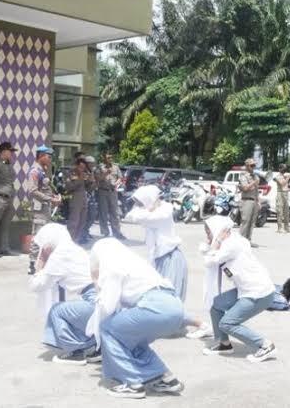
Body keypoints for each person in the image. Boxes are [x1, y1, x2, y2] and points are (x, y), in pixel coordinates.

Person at [85, 238, 185, 399]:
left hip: (155, 306)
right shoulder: (133, 261)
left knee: (108, 329)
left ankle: (133, 384)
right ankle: (165, 377)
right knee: (130, 336)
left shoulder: (112, 266)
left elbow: (107, 306)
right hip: (174, 307)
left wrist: (96, 285)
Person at [125, 185, 211, 338]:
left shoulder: (165, 210)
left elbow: (140, 216)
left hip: (171, 258)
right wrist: (147, 207)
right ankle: (170, 325)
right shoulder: (153, 210)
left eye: (142, 202)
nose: (139, 206)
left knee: (169, 299)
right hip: (160, 259)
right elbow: (130, 216)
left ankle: (202, 325)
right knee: (157, 297)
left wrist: (147, 209)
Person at [199, 216, 277, 362]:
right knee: (216, 305)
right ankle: (224, 343)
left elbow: (209, 260)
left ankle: (265, 345)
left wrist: (215, 243)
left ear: (217, 231)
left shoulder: (231, 245)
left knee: (227, 323)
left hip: (258, 293)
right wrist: (213, 243)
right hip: (246, 289)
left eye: (208, 232)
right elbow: (206, 251)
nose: (207, 236)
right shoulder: (231, 241)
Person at [29, 224, 100, 365]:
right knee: (68, 308)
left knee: (56, 310)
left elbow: (37, 285)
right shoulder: (73, 249)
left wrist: (41, 263)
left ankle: (76, 351)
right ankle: (93, 345)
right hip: (99, 297)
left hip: (94, 300)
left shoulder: (59, 255)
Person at [26, 146, 62, 275]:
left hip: (45, 208)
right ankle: (32, 264)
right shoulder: (35, 171)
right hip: (39, 209)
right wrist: (50, 199)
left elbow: (44, 189)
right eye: (49, 156)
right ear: (41, 155)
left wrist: (53, 197)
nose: (50, 159)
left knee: (45, 236)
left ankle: (41, 262)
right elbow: (33, 190)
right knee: (38, 236)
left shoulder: (42, 171)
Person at [95, 153, 125, 240]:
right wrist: (105, 173)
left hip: (113, 192)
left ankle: (117, 232)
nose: (110, 159)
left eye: (111, 157)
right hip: (103, 191)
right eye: (108, 157)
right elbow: (97, 179)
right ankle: (105, 232)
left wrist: (117, 183)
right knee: (103, 212)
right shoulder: (100, 168)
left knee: (115, 213)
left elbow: (120, 177)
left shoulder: (115, 167)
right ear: (104, 158)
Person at [66, 157, 94, 243]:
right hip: (75, 199)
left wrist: (92, 181)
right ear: (76, 166)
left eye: (84, 168)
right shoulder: (71, 173)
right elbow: (69, 187)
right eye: (80, 167)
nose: (82, 169)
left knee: (82, 221)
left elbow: (89, 188)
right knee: (74, 222)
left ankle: (76, 240)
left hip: (83, 199)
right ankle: (69, 240)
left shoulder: (85, 174)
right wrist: (80, 179)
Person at [238, 158, 260, 245]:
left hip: (254, 200)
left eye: (254, 165)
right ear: (247, 166)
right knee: (245, 221)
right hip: (246, 201)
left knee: (252, 222)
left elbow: (256, 190)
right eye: (252, 165)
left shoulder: (255, 176)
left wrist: (258, 201)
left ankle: (248, 240)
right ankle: (241, 241)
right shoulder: (243, 176)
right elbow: (245, 188)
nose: (253, 167)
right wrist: (254, 182)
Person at [80, 156, 99, 243]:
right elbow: (86, 186)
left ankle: (85, 231)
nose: (93, 165)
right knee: (85, 217)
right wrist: (94, 182)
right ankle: (82, 235)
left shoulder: (92, 172)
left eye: (93, 163)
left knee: (92, 216)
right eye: (91, 163)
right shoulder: (83, 173)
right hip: (84, 197)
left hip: (91, 197)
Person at [274, 164, 290, 233]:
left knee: (286, 212)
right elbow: (282, 184)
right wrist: (288, 178)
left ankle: (286, 227)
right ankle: (280, 228)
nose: (284, 170)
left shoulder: (285, 175)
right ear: (279, 169)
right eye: (283, 168)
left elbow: (286, 185)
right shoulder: (277, 177)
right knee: (280, 211)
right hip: (280, 194)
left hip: (285, 194)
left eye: (285, 168)